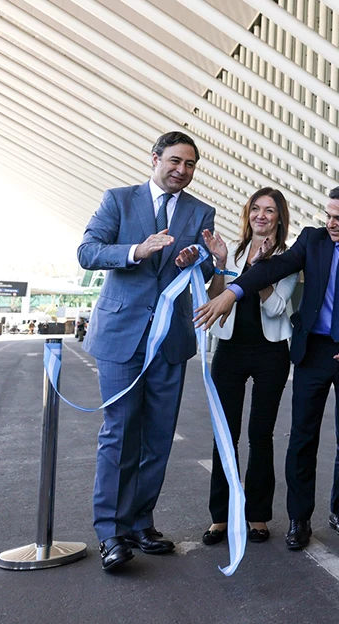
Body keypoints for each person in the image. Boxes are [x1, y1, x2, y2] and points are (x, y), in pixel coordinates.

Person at [196, 184, 339, 549]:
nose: (331, 223)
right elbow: (271, 269)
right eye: (328, 215)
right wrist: (231, 292)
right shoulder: (313, 241)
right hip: (314, 352)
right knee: (302, 438)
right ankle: (298, 519)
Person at [77, 131, 215, 571]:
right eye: (175, 161)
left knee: (157, 437)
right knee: (119, 433)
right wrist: (138, 250)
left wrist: (199, 257)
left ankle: (141, 522)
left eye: (190, 165)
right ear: (154, 158)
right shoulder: (118, 200)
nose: (182, 171)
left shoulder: (200, 211)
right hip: (122, 337)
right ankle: (110, 533)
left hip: (171, 339)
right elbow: (88, 251)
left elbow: (206, 266)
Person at [198, 188, 298, 546]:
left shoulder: (288, 258)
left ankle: (258, 515)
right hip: (230, 350)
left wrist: (261, 272)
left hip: (271, 352)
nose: (261, 215)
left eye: (269, 210)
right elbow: (215, 299)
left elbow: (275, 308)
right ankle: (220, 517)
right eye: (255, 209)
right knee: (225, 435)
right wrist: (223, 263)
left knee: (260, 436)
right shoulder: (234, 252)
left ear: (279, 218)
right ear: (248, 214)